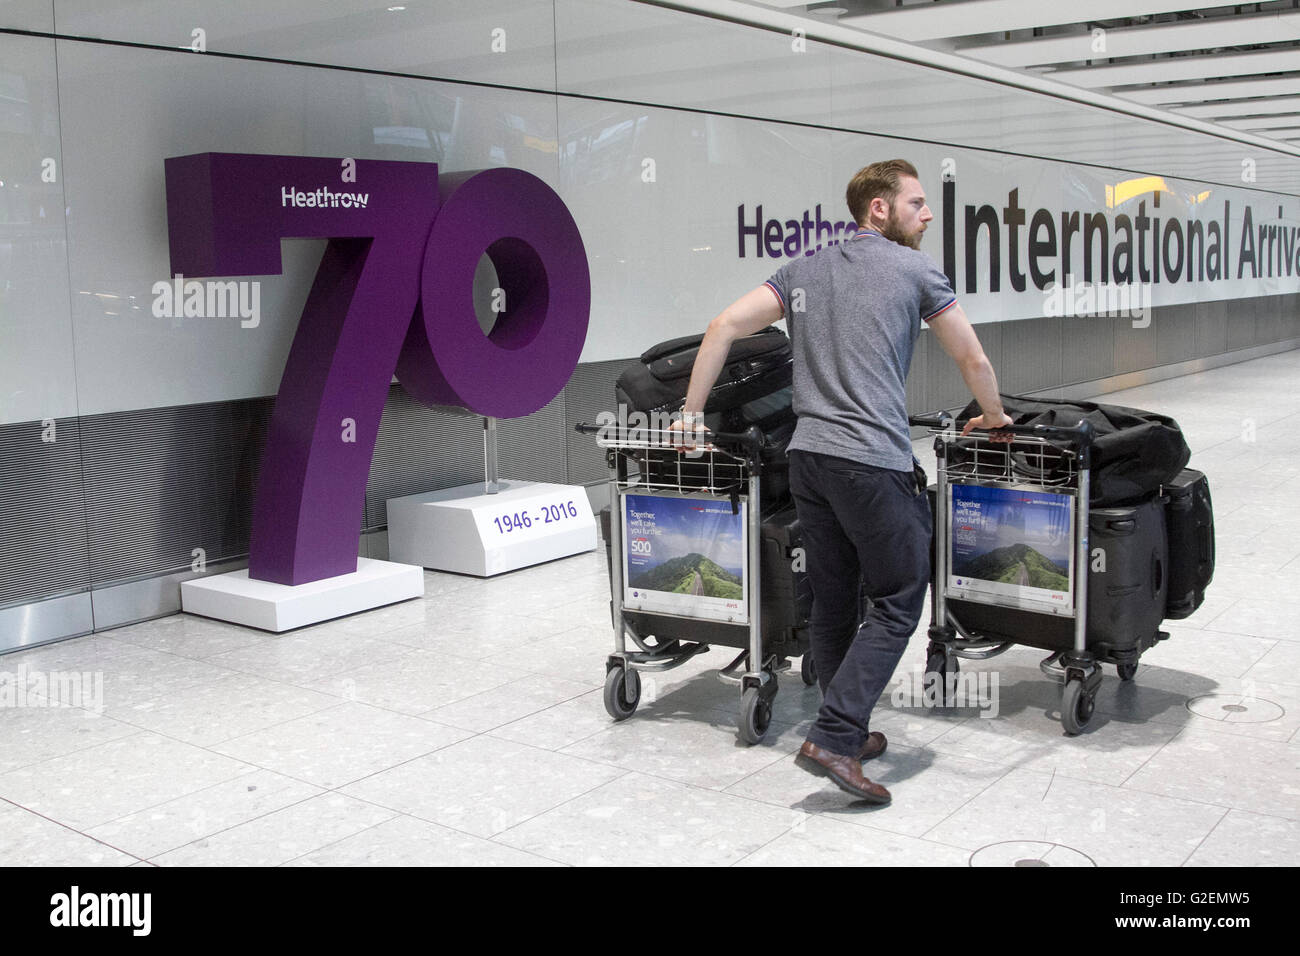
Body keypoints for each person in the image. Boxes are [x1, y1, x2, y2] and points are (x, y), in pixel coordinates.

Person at [674, 159, 1012, 805]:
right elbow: (972, 356)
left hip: (809, 460)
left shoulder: (803, 268)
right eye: (917, 202)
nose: (928, 213)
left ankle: (843, 729)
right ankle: (834, 734)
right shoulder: (916, 271)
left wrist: (690, 416)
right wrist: (993, 416)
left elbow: (721, 326)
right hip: (870, 462)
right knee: (897, 596)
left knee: (833, 601)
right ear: (878, 209)